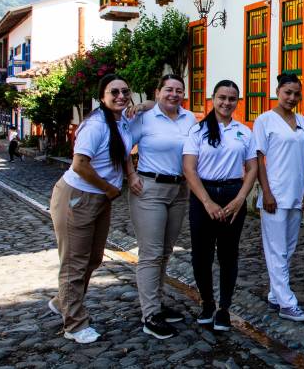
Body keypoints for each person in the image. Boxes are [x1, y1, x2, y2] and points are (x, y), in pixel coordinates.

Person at [48, 74, 135, 344]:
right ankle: (74, 324)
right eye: (114, 92)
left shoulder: (122, 122)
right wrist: (109, 188)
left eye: (125, 91)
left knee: (94, 258)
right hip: (79, 196)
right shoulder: (96, 125)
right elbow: (80, 165)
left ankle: (63, 301)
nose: (120, 96)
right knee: (74, 263)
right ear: (102, 96)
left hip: (100, 199)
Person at [183, 80, 257, 331]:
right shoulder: (197, 131)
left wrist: (240, 199)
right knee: (202, 254)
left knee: (228, 254)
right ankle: (207, 302)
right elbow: (189, 168)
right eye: (222, 97)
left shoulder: (244, 131)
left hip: (232, 193)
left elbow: (252, 168)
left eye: (232, 98)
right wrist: (206, 202)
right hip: (204, 194)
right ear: (212, 98)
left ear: (238, 101)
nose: (226, 103)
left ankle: (224, 308)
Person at [128, 74, 197, 339]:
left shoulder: (188, 118)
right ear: (158, 92)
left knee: (166, 251)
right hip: (150, 189)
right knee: (151, 253)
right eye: (168, 89)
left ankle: (156, 304)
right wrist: (131, 175)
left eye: (179, 90)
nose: (174, 94)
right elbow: (125, 147)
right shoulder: (144, 118)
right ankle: (150, 315)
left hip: (180, 190)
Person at [254, 73, 304, 322]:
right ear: (277, 91)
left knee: (288, 248)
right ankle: (287, 304)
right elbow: (258, 159)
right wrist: (265, 191)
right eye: (287, 92)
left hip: (297, 193)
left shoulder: (303, 121)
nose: (292, 98)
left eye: (296, 94)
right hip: (275, 195)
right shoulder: (265, 121)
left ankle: (275, 293)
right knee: (276, 249)